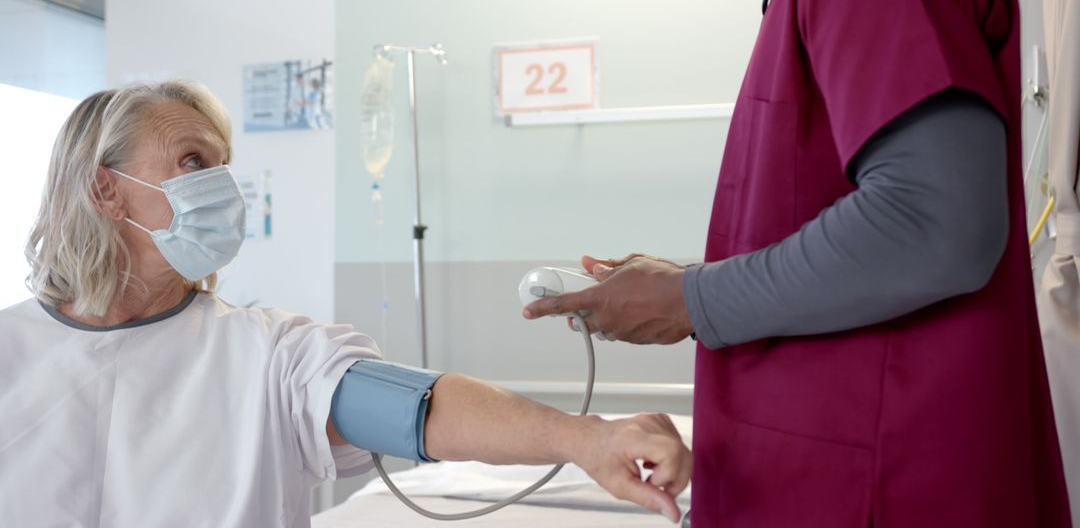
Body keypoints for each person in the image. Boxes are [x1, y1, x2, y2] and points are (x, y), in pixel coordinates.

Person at [524, 0, 1073, 526]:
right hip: (820, 470)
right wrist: (683, 292)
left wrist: (689, 299)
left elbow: (930, 222)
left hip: (885, 481)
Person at [0, 81, 691, 527]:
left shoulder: (268, 353)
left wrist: (587, 438)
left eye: (222, 163)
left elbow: (417, 407)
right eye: (191, 162)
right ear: (106, 191)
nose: (222, 187)